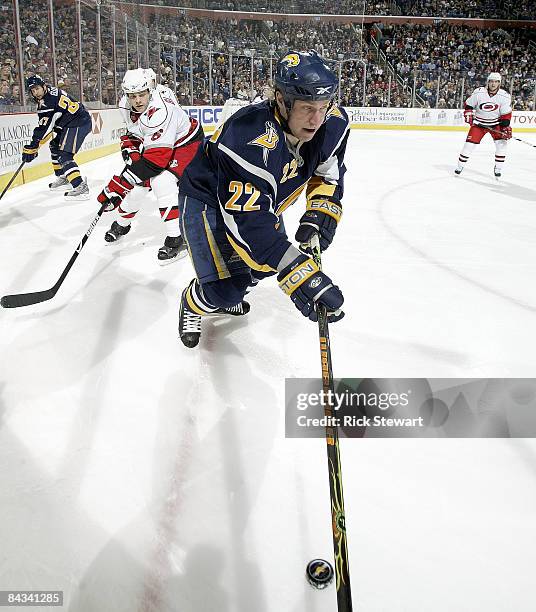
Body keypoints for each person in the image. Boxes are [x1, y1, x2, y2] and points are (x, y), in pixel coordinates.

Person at [177, 50, 349, 348]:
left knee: (261, 266)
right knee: (225, 291)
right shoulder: (246, 137)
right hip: (205, 197)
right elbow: (250, 225)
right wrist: (299, 272)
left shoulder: (332, 123)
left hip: (259, 199)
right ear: (281, 100)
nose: (317, 119)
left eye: (323, 106)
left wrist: (320, 213)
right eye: (308, 107)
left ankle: (229, 286)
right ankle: (193, 302)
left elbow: (328, 172)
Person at [98, 68, 202, 263]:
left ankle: (177, 237)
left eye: (141, 95)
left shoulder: (160, 111)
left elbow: (156, 161)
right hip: (162, 141)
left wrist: (119, 186)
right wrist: (131, 147)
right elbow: (135, 132)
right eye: (132, 96)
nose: (137, 100)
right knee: (138, 186)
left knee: (161, 181)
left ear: (150, 90)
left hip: (186, 142)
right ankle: (122, 223)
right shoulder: (125, 104)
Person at [22, 75, 92, 200]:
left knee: (64, 155)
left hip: (78, 123)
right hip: (71, 122)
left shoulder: (47, 103)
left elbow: (44, 130)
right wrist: (35, 146)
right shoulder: (50, 92)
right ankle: (64, 177)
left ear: (44, 86)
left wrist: (32, 147)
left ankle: (80, 186)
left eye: (37, 88)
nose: (35, 92)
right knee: (54, 145)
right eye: (32, 90)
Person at [455, 72, 512, 178]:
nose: (493, 84)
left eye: (496, 82)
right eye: (491, 81)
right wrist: (468, 113)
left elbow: (506, 114)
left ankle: (498, 168)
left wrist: (505, 128)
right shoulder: (479, 93)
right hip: (479, 124)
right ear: (488, 82)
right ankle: (460, 166)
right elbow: (468, 105)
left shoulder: (504, 95)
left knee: (502, 145)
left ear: (499, 83)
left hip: (496, 124)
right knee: (469, 145)